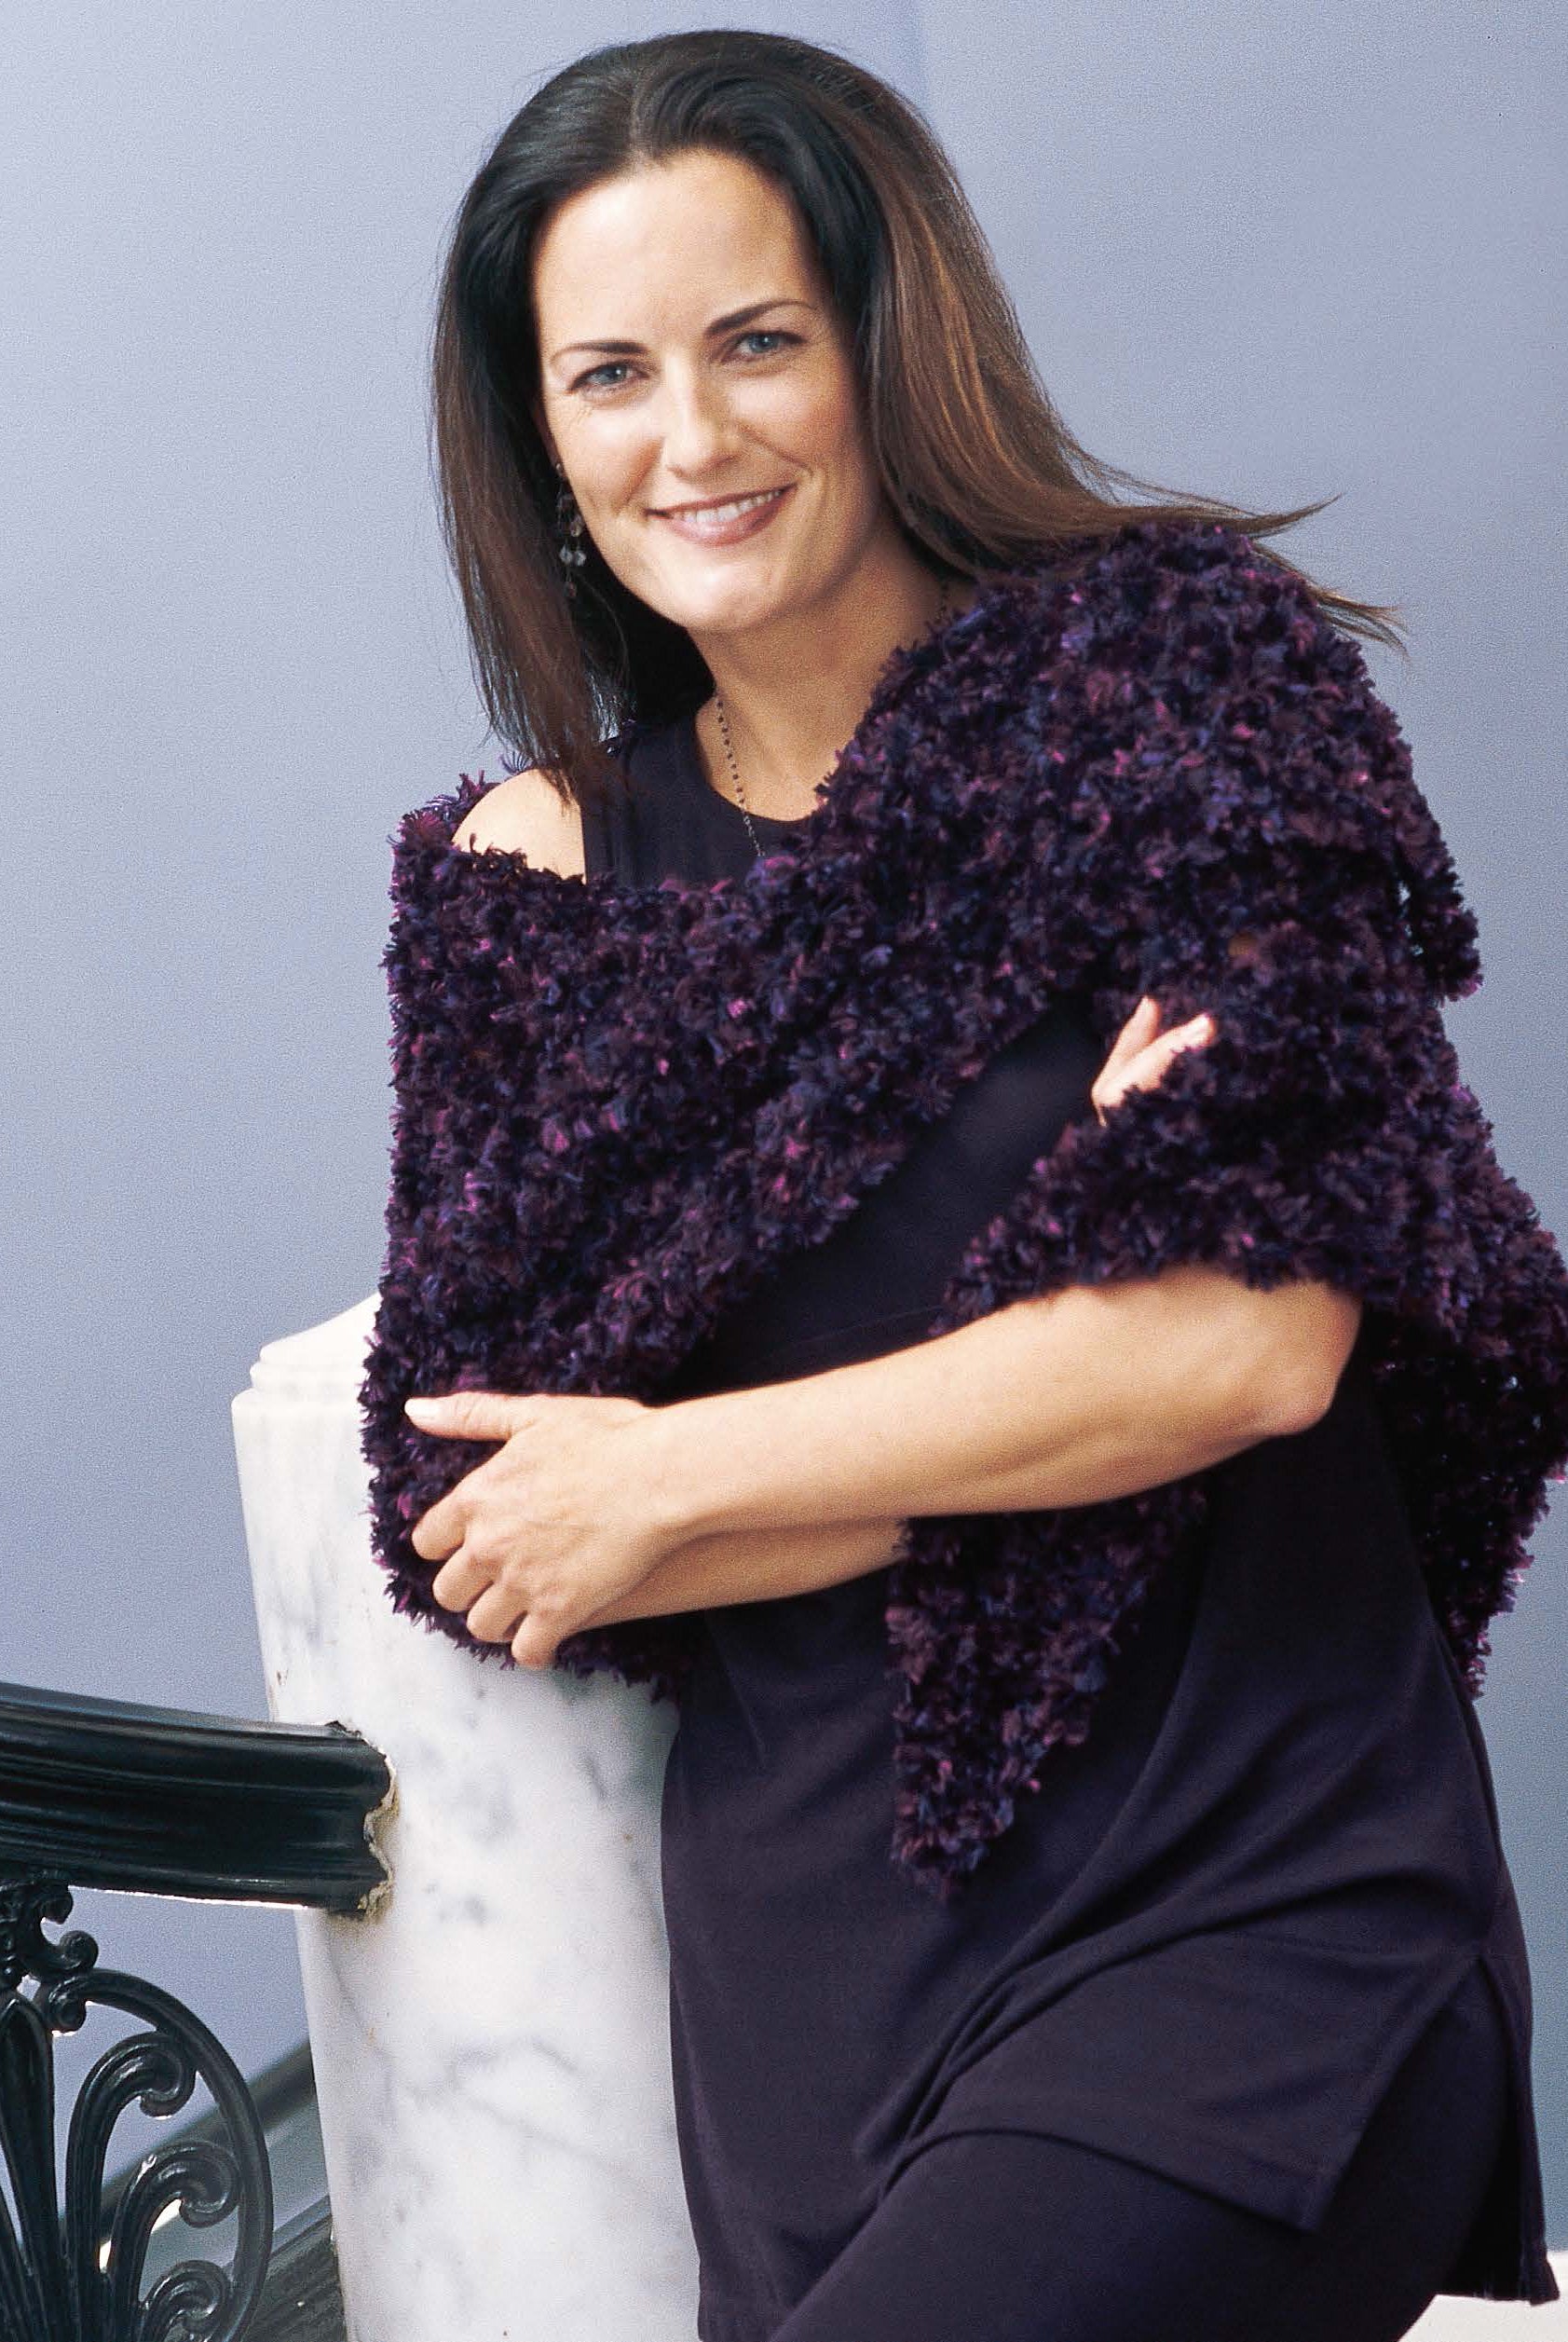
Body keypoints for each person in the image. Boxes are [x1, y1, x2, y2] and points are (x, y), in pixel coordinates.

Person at [387, 31, 1557, 2341]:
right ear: (536, 436)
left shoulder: (1171, 682)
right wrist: (1059, 1373)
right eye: (607, 374)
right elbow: (512, 1521)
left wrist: (693, 1465)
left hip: (1255, 1903)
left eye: (755, 344)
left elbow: (1257, 1333)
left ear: (880, 344)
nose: (689, 439)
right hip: (824, 1993)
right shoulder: (524, 882)